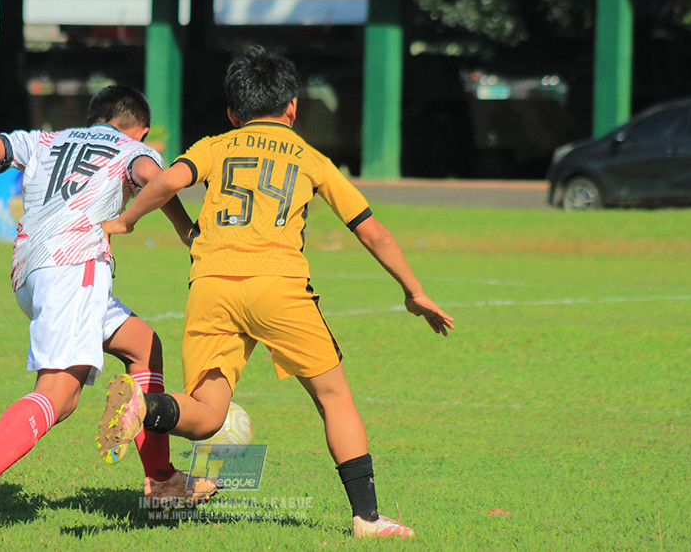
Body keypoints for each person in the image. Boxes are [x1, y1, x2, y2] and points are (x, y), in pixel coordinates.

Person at [96, 47, 455, 539]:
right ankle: (368, 518)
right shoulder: (310, 157)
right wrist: (414, 292)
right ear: (291, 107)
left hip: (211, 287)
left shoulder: (213, 146)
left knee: (207, 414)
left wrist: (126, 219)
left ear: (231, 113)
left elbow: (164, 182)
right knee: (334, 398)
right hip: (278, 288)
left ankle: (146, 408)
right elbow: (372, 232)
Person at [0, 85, 216, 539]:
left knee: (144, 345)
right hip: (76, 269)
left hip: (30, 271)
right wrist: (185, 229)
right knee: (61, 393)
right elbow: (157, 175)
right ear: (142, 129)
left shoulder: (47, 140)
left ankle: (162, 481)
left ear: (92, 117)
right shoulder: (133, 148)